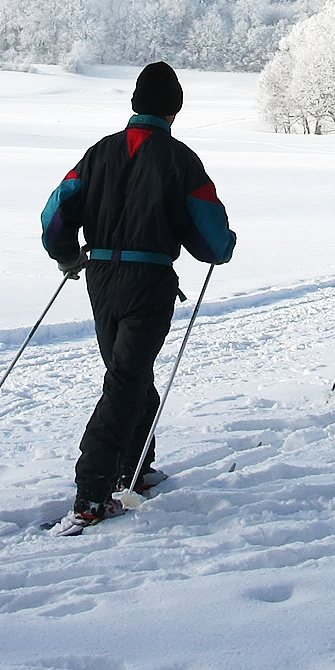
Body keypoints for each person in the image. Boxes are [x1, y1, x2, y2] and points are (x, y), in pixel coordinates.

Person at [40, 61, 237, 528]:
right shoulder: (180, 159)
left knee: (128, 371)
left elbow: (55, 215)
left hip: (101, 278)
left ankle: (137, 467)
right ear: (175, 109)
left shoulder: (97, 153)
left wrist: (67, 256)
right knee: (126, 379)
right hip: (148, 282)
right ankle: (92, 489)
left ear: (134, 104)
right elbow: (211, 237)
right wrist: (221, 247)